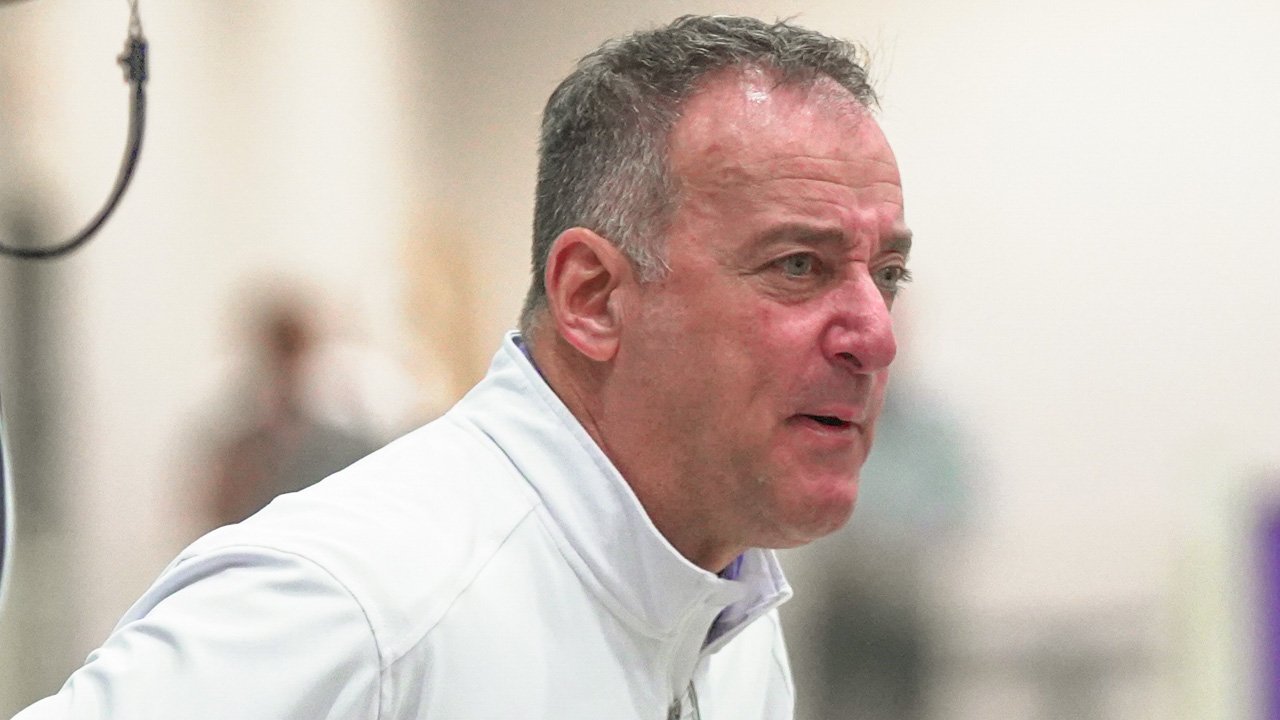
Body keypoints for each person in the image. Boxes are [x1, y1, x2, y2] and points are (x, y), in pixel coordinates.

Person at [15, 14, 912, 719]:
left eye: (887, 274)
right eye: (798, 266)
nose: (874, 335)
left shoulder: (729, 618)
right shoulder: (356, 609)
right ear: (594, 297)